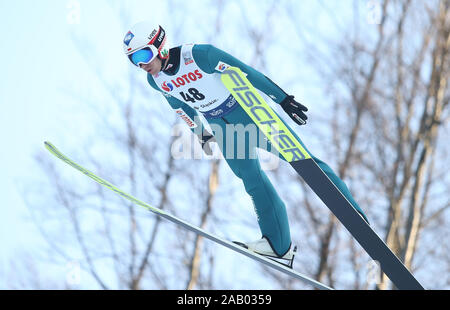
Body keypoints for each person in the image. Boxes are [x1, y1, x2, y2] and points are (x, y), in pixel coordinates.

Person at [123, 21, 368, 268]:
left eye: (143, 55)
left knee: (301, 159)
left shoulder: (199, 55)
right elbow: (179, 105)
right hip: (220, 125)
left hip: (246, 112)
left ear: (159, 45)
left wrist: (283, 99)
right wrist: (200, 134)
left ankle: (352, 211)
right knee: (251, 179)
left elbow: (245, 72)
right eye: (134, 60)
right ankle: (278, 246)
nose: (141, 64)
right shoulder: (155, 81)